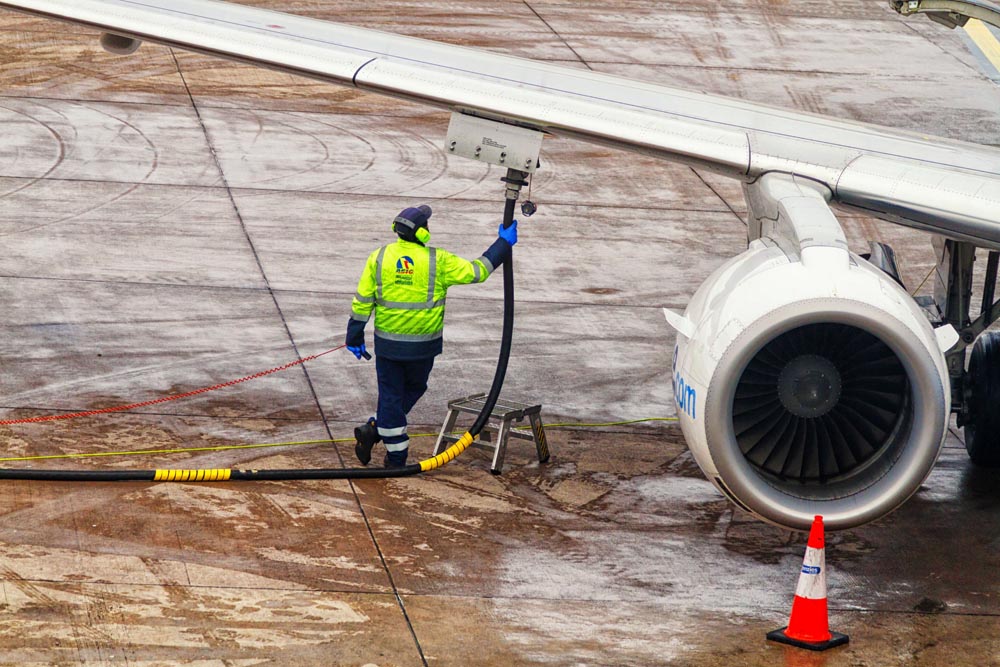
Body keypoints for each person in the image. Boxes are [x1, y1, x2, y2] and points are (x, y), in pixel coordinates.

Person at [346, 204, 518, 468]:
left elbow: (362, 300)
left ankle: (376, 428)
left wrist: (354, 335)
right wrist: (502, 245)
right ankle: (396, 459)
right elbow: (478, 271)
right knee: (410, 390)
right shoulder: (439, 260)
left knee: (393, 397)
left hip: (388, 347)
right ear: (423, 233)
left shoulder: (379, 257)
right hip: (422, 349)